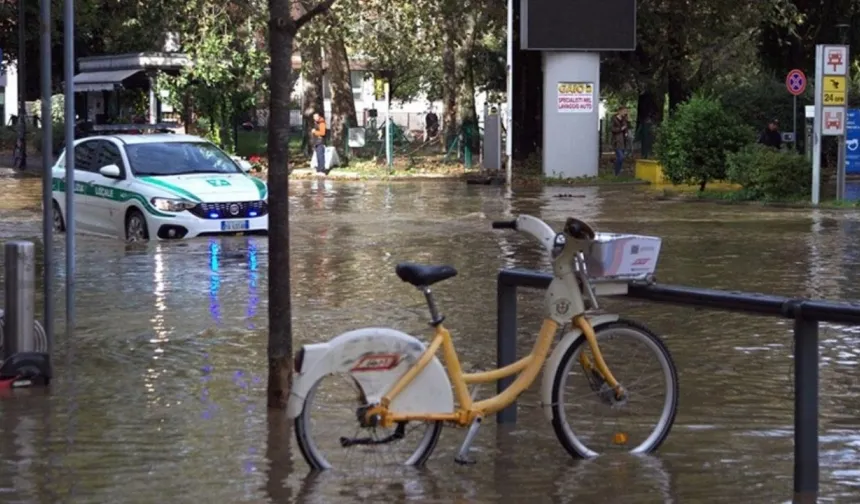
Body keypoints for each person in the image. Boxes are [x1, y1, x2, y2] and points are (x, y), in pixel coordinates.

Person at [610, 106, 629, 176]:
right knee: (620, 157)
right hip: (617, 141)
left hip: (624, 141)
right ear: (620, 111)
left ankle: (618, 172)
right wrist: (621, 129)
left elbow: (626, 127)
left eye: (626, 111)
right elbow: (612, 129)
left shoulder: (624, 119)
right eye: (624, 111)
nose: (625, 113)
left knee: (621, 157)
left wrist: (626, 132)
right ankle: (616, 171)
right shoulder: (614, 119)